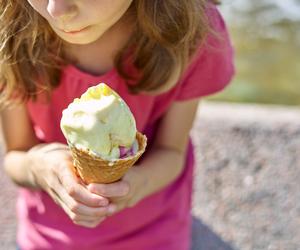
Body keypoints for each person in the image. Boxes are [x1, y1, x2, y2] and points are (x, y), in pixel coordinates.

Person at [0, 0, 234, 249]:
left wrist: (138, 183)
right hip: (48, 235)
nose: (56, 10)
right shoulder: (10, 28)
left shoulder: (193, 32)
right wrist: (38, 167)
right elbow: (17, 155)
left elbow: (171, 151)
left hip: (153, 232)